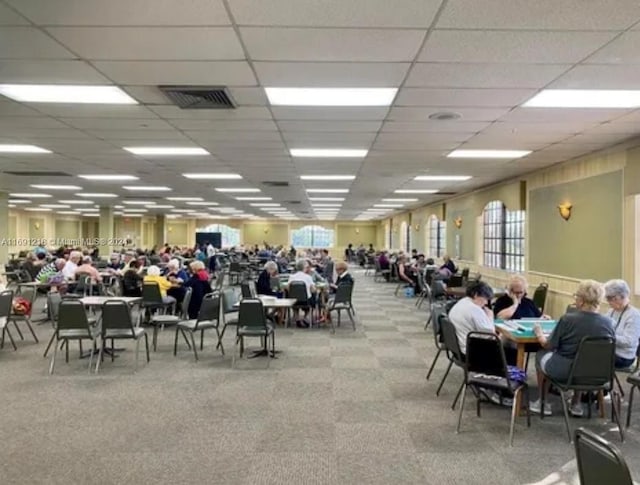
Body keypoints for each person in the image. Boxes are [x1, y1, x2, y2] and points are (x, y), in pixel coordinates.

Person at [530, 280, 615, 417]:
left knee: (541, 354)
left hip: (567, 372)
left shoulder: (567, 319)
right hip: (598, 374)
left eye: (576, 296)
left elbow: (549, 345)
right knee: (584, 358)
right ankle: (576, 403)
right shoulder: (609, 323)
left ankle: (542, 402)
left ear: (581, 301)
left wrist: (539, 333)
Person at [448, 281, 496, 356]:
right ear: (476, 295)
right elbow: (490, 334)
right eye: (485, 298)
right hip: (471, 353)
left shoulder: (461, 302)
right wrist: (490, 316)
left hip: (458, 349)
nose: (486, 303)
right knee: (509, 353)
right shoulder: (475, 309)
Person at [603, 279, 640, 369]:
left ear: (622, 296)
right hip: (610, 349)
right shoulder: (611, 311)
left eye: (611, 299)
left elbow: (629, 341)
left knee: (592, 356)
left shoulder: (634, 315)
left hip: (624, 356)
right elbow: (603, 326)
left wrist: (609, 337)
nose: (609, 302)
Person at [288, 259, 316, 327]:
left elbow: (288, 288)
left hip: (294, 301)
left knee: (293, 298)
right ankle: (305, 317)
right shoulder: (308, 277)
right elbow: (313, 290)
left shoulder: (291, 277)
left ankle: (297, 317)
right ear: (305, 268)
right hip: (306, 301)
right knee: (313, 297)